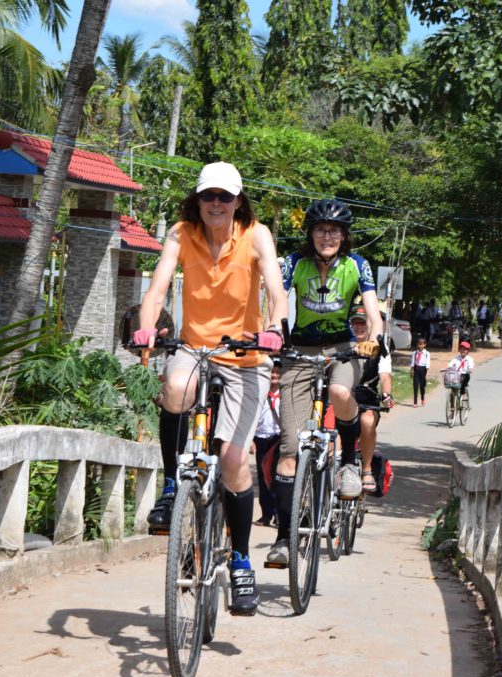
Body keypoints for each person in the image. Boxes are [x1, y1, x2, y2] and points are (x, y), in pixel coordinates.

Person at [133, 161, 288, 615]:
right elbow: (158, 289)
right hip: (196, 347)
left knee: (235, 459)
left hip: (246, 355)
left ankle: (240, 561)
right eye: (208, 197)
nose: (216, 204)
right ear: (197, 201)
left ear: (239, 201)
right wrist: (147, 331)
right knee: (176, 388)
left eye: (225, 197)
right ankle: (169, 486)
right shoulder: (182, 233)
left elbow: (276, 293)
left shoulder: (256, 234)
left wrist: (275, 327)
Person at [270, 198, 382, 566]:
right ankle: (284, 537)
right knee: (288, 452)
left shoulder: (357, 265)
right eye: (321, 230)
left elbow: (371, 308)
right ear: (311, 233)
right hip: (299, 351)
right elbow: (275, 300)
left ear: (344, 236)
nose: (327, 236)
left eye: (334, 231)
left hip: (343, 349)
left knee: (339, 391)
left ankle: (349, 459)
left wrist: (374, 337)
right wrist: (273, 330)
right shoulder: (293, 264)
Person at [351, 307, 394, 491]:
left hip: (366, 398)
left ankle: (367, 469)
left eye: (363, 322)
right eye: (355, 322)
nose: (359, 327)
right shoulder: (341, 344)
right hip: (342, 398)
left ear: (370, 324)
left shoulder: (380, 349)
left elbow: (385, 376)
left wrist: (386, 395)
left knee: (367, 421)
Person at [251, 361, 281, 526]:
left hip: (278, 439)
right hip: (261, 437)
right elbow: (253, 417)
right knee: (263, 477)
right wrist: (250, 440)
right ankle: (265, 514)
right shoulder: (260, 394)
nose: (275, 375)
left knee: (277, 476)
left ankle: (278, 513)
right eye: (272, 372)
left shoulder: (285, 394)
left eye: (278, 372)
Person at [410, 336, 430, 407]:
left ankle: (422, 398)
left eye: (422, 344)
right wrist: (411, 371)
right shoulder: (415, 353)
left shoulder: (427, 353)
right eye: (419, 344)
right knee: (415, 386)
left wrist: (427, 373)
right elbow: (412, 362)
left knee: (422, 385)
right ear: (417, 345)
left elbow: (427, 363)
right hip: (416, 369)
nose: (420, 346)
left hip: (423, 369)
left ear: (425, 345)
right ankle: (415, 402)